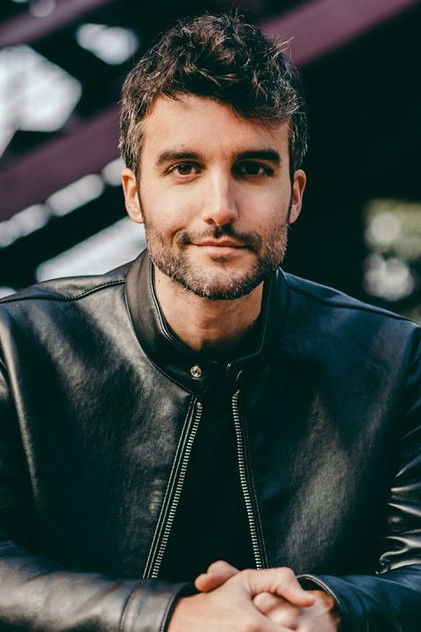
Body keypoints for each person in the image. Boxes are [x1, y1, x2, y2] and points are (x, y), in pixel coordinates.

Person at [0, 12, 419, 632]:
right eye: (184, 168)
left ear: (295, 194)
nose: (220, 208)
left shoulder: (393, 360)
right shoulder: (18, 347)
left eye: (253, 169)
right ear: (134, 193)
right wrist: (176, 617)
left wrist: (328, 606)